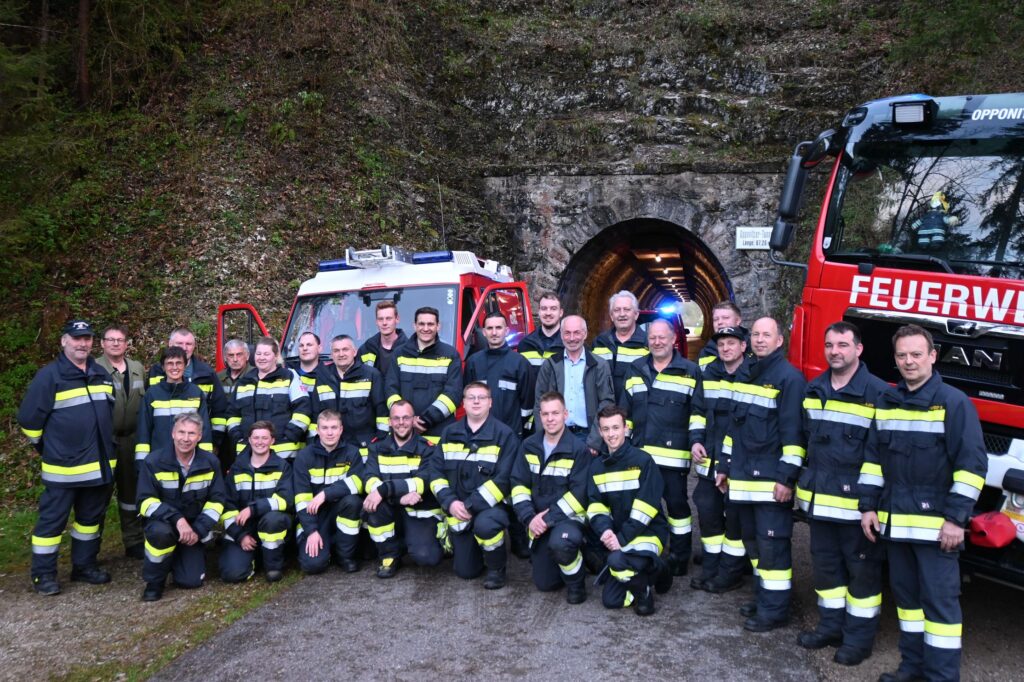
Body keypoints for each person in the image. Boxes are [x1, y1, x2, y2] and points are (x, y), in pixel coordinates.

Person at [860, 325, 987, 682]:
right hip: (896, 526)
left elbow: (972, 466)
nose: (908, 361)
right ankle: (912, 667)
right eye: (902, 355)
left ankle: (942, 677)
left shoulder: (953, 402)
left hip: (936, 531)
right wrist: (868, 506)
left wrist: (956, 520)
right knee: (908, 604)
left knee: (940, 608)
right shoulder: (886, 402)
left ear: (932, 356)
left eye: (916, 354)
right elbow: (873, 460)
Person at [796, 322, 888, 666]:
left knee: (862, 576)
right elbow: (806, 444)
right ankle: (830, 627)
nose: (836, 351)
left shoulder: (878, 394)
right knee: (826, 572)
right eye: (830, 345)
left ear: (858, 349)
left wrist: (870, 504)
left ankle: (858, 640)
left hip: (857, 509)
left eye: (843, 345)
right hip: (821, 504)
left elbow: (878, 457)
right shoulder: (814, 389)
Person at [716, 316, 806, 632]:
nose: (760, 339)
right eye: (755, 334)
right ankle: (764, 597)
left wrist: (786, 479)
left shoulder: (790, 379)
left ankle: (775, 610)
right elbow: (732, 430)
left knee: (773, 546)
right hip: (742, 479)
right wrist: (724, 467)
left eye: (767, 334)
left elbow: (793, 435)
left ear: (780, 340)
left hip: (770, 482)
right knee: (754, 544)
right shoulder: (746, 373)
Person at [18, 320, 116, 595]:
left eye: (87, 339)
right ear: (64, 341)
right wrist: (47, 447)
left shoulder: (100, 374)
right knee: (51, 524)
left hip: (98, 468)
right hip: (63, 470)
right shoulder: (49, 377)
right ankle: (43, 576)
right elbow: (28, 420)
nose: (82, 343)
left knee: (89, 522)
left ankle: (84, 567)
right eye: (77, 339)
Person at [620, 318, 705, 577]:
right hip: (641, 455)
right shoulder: (635, 368)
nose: (657, 342)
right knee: (643, 505)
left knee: (677, 506)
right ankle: (647, 550)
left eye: (662, 337)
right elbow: (627, 410)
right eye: (652, 338)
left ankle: (680, 556)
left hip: (673, 455)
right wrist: (624, 438)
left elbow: (697, 412)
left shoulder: (690, 371)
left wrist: (696, 440)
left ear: (672, 340)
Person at [430, 382, 520, 589]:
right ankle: (471, 549)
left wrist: (470, 505)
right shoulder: (449, 433)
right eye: (471, 397)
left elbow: (504, 480)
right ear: (463, 403)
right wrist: (450, 502)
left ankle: (497, 569)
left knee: (486, 526)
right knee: (466, 572)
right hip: (457, 508)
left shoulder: (504, 435)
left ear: (490, 403)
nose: (476, 401)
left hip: (489, 508)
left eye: (482, 397)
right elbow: (435, 473)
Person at [587, 405, 669, 616]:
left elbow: (646, 509)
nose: (611, 434)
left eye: (615, 428)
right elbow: (596, 506)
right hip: (618, 537)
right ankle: (652, 575)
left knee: (615, 561)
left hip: (648, 534)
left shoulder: (643, 461)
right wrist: (605, 531)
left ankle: (645, 592)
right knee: (611, 601)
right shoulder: (597, 467)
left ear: (625, 428)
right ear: (600, 432)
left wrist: (621, 538)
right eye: (606, 429)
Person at [136, 412, 227, 601]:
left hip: (193, 530)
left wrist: (199, 530)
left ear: (200, 437)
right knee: (160, 534)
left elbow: (217, 501)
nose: (185, 439)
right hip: (164, 524)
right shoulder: (153, 462)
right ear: (173, 433)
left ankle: (178, 559)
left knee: (191, 581)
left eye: (192, 434)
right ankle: (155, 581)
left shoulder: (210, 463)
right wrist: (177, 519)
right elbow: (145, 501)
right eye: (181, 432)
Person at [511, 391, 590, 603]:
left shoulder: (578, 449)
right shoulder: (528, 446)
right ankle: (563, 561)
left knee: (561, 545)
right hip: (537, 522)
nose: (550, 419)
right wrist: (529, 518)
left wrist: (546, 519)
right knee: (545, 584)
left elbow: (579, 495)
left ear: (566, 414)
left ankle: (577, 583)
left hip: (568, 520)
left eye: (555, 413)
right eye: (545, 414)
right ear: (540, 415)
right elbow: (518, 485)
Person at [691, 326, 751, 594]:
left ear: (743, 347)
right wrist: (695, 440)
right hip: (710, 459)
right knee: (707, 510)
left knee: (736, 519)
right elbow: (698, 411)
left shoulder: (752, 377)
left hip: (738, 463)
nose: (725, 348)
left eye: (731, 343)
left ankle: (731, 572)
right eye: (722, 344)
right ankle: (712, 567)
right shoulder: (709, 374)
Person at [362, 400, 445, 578]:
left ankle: (422, 542)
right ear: (389, 422)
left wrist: (385, 490)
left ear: (413, 420)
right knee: (373, 507)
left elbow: (423, 482)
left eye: (406, 418)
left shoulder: (428, 449)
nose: (401, 422)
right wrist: (397, 498)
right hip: (390, 508)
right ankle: (389, 555)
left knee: (427, 558)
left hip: (418, 511)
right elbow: (369, 480)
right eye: (396, 418)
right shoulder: (376, 447)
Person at [95, 324, 147, 559]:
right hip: (103, 441)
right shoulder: (93, 368)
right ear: (102, 343)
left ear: (127, 344)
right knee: (98, 494)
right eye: (111, 340)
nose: (116, 343)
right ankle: (91, 546)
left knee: (130, 493)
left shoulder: (137, 368)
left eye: (120, 340)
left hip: (132, 440)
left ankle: (133, 540)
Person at [292, 409, 365, 574]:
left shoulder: (352, 453)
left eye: (334, 427)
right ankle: (325, 548)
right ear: (317, 430)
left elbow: (358, 483)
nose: (329, 433)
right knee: (313, 566)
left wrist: (325, 493)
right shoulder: (304, 456)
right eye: (324, 428)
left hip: (340, 508)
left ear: (341, 429)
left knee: (353, 502)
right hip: (314, 515)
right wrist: (311, 531)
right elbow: (302, 499)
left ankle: (345, 556)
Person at [220, 421, 292, 583]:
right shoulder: (236, 469)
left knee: (273, 519)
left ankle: (272, 566)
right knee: (232, 574)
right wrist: (240, 536)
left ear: (272, 441)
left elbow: (285, 501)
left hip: (270, 525)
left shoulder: (282, 467)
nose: (260, 442)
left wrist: (253, 509)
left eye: (265, 438)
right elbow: (227, 506)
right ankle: (253, 559)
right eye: (256, 438)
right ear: (249, 440)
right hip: (243, 529)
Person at [534, 315, 614, 451]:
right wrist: (545, 437)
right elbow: (539, 403)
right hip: (556, 435)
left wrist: (595, 441)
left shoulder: (599, 365)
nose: (572, 338)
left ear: (585, 334)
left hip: (587, 436)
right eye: (567, 333)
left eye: (576, 333)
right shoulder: (550, 365)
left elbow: (607, 404)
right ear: (561, 335)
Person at [385, 306, 462, 443]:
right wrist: (405, 419)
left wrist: (425, 420)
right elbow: (391, 390)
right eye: (421, 324)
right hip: (405, 434)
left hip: (439, 435)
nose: (426, 328)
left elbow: (453, 394)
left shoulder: (450, 355)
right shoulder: (399, 354)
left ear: (438, 326)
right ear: (414, 325)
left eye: (430, 324)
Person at [226, 337, 312, 460]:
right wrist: (237, 436)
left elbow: (303, 410)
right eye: (258, 354)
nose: (261, 358)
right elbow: (232, 414)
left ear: (276, 356)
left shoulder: (289, 377)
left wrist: (291, 434)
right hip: (248, 454)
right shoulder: (244, 382)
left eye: (266, 354)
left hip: (283, 455)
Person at [148, 327, 228, 446]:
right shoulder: (156, 371)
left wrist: (215, 440)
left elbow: (219, 409)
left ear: (194, 346)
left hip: (196, 442)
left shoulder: (207, 373)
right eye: (179, 343)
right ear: (170, 344)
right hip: (162, 442)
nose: (184, 348)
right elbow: (147, 412)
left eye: (189, 344)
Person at [135, 346, 214, 463]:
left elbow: (204, 429)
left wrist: (205, 461)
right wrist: (142, 464)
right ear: (163, 367)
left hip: (190, 460)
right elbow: (144, 431)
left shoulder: (196, 392)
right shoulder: (152, 394)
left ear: (186, 365)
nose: (174, 367)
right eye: (170, 363)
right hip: (158, 460)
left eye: (179, 363)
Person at [311, 334, 387, 450]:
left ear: (354, 352)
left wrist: (380, 441)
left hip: (364, 447)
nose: (341, 354)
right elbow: (315, 413)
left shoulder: (371, 375)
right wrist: (315, 443)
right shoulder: (322, 376)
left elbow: (382, 412)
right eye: (336, 351)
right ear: (332, 354)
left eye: (345, 349)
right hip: (332, 449)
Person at [464, 312, 533, 439]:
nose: (494, 333)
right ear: (484, 332)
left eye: (498, 328)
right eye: (490, 328)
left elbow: (527, 405)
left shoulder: (520, 363)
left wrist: (522, 432)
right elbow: (468, 400)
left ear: (506, 331)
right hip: (479, 434)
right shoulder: (474, 362)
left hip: (510, 436)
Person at [591, 291, 650, 399]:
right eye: (617, 310)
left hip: (635, 410)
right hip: (606, 410)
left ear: (636, 315)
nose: (622, 314)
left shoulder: (648, 344)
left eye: (627, 309)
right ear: (612, 316)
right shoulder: (599, 342)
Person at [517, 292, 565, 408]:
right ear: (538, 312)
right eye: (544, 308)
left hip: (560, 412)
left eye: (553, 309)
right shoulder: (525, 345)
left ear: (561, 313)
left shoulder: (568, 345)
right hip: (533, 411)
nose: (548, 313)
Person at [359, 300, 407, 374]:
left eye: (388, 318)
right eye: (380, 319)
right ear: (376, 321)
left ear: (397, 319)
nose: (384, 323)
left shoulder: (409, 349)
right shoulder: (366, 349)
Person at [698, 301, 748, 372]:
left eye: (725, 317)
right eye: (716, 319)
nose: (719, 322)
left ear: (737, 321)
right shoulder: (705, 352)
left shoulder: (753, 348)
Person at [291, 331, 323, 398]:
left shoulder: (329, 376)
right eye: (301, 345)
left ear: (319, 348)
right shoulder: (288, 374)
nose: (305, 348)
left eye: (309, 345)